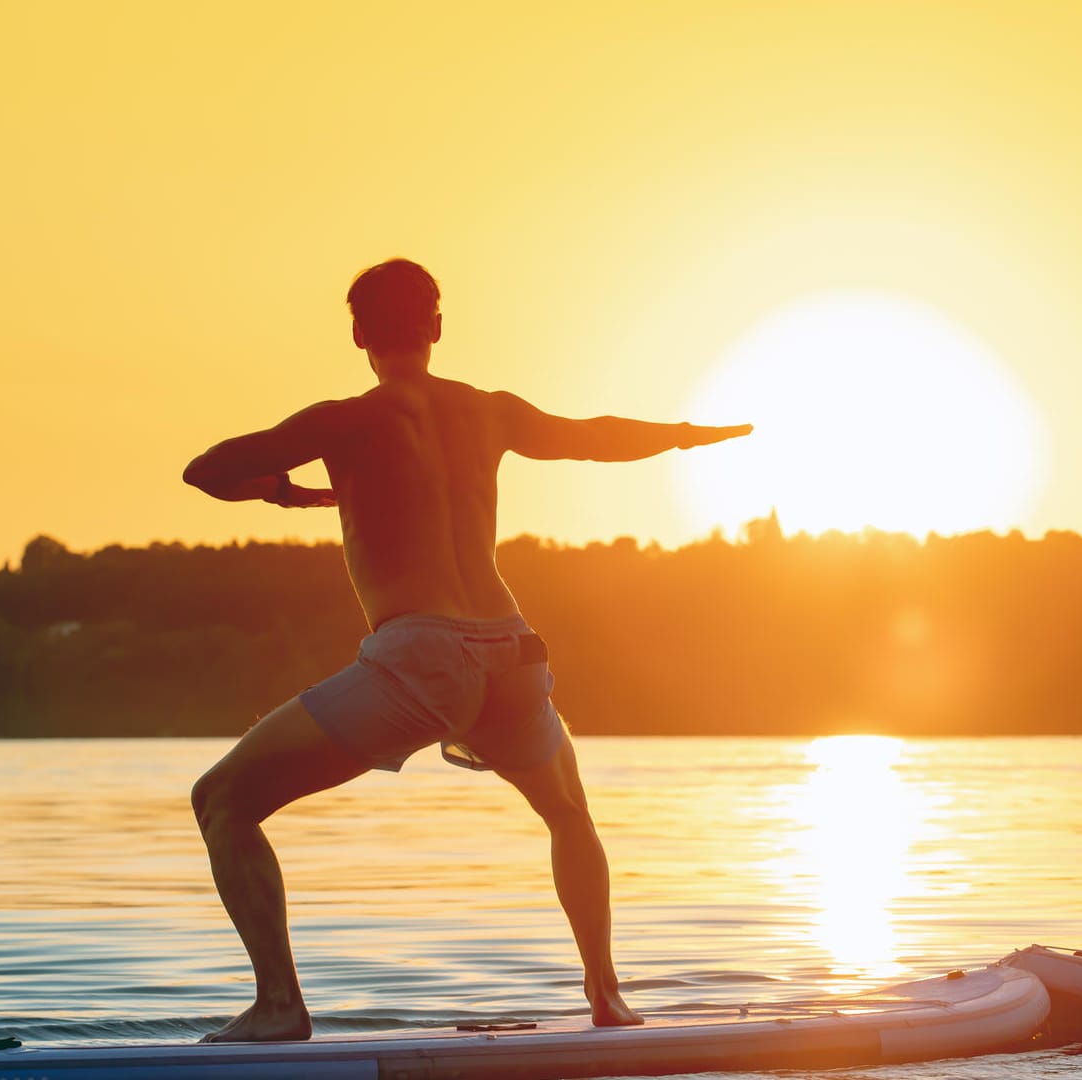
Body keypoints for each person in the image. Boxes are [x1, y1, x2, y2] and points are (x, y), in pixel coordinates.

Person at [183, 258, 751, 1041]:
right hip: (514, 650)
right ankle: (608, 995)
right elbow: (595, 440)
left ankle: (279, 1006)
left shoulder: (344, 419)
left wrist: (286, 490)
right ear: (438, 328)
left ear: (357, 335)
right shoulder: (491, 412)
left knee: (221, 801)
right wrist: (692, 436)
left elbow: (205, 471)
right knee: (569, 816)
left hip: (422, 659)